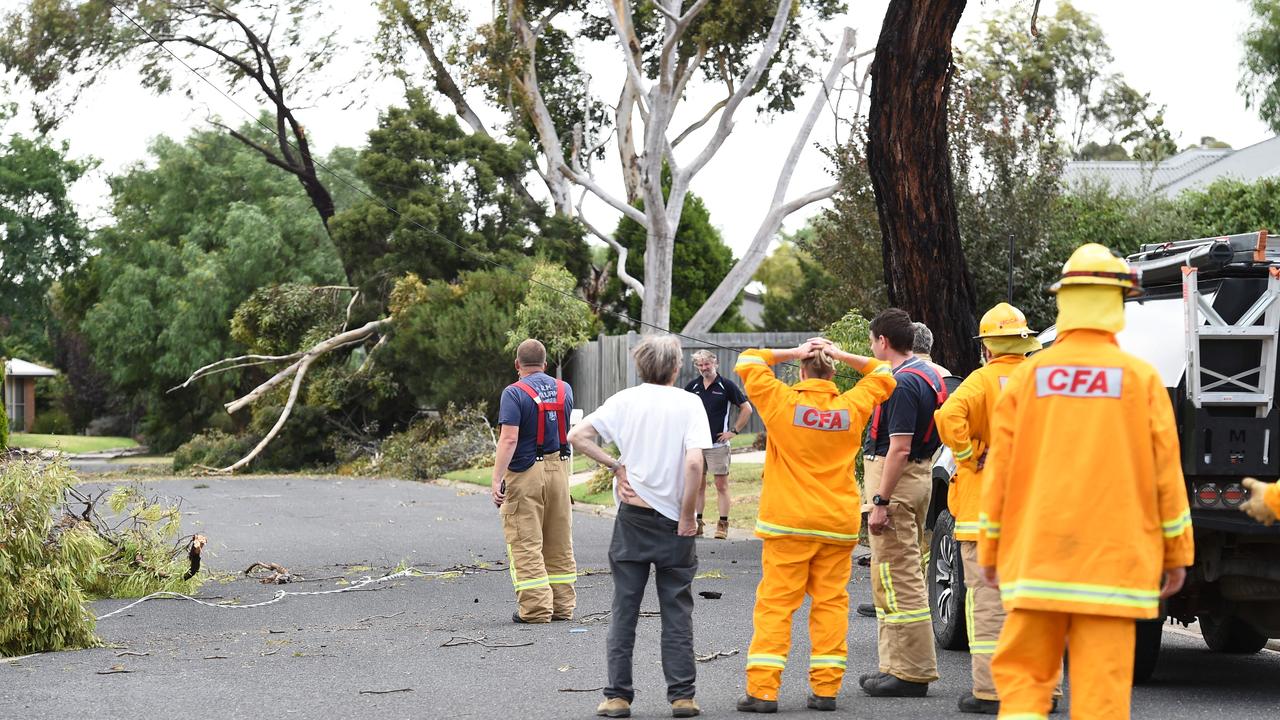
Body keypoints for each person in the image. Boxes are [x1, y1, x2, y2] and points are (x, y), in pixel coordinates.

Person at [979, 243, 1195, 719]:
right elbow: (1167, 476)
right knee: (1102, 699)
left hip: (1037, 561)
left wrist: (990, 551)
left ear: (1065, 302)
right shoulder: (1141, 381)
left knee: (1024, 687)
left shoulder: (1028, 378)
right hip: (1114, 571)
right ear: (1119, 304)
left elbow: (999, 472)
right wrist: (1178, 553)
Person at [734, 338, 895, 714]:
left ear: (802, 370)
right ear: (833, 371)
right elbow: (884, 373)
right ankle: (825, 691)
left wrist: (793, 352)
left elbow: (747, 360)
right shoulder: (851, 405)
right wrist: (840, 354)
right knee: (830, 606)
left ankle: (763, 692)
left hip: (788, 523)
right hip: (835, 524)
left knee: (776, 606)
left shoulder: (781, 401)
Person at [568, 335, 712, 720]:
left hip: (632, 518)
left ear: (640, 366)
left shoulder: (624, 400)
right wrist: (688, 515)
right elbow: (695, 464)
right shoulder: (690, 403)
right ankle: (682, 697)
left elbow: (577, 436)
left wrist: (615, 465)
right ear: (676, 367)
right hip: (673, 523)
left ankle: (617, 697)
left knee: (624, 609)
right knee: (677, 609)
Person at [934, 303, 1045, 715]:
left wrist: (968, 453)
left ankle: (992, 691)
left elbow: (948, 416)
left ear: (988, 348)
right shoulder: (1043, 379)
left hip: (985, 515)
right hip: (1036, 513)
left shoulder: (981, 381)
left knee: (988, 605)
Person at [859, 308, 948, 698]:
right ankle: (895, 665)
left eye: (871, 339)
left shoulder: (903, 385)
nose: (869, 346)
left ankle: (909, 672)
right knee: (897, 574)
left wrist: (880, 501)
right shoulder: (926, 372)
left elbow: (899, 448)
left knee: (898, 578)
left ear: (883, 342)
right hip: (918, 480)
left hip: (897, 483)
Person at [491, 339, 577, 624]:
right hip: (560, 472)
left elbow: (509, 438)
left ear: (517, 365)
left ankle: (537, 609)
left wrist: (496, 479)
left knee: (526, 540)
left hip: (526, 474)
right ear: (546, 363)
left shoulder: (513, 393)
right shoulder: (565, 389)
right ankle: (563, 606)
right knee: (558, 539)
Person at [685, 350, 753, 539]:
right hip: (696, 445)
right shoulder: (692, 387)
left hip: (718, 445)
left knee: (721, 484)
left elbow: (747, 408)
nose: (704, 368)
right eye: (700, 365)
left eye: (707, 364)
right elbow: (681, 411)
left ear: (715, 363)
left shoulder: (726, 385)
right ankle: (698, 522)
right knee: (698, 485)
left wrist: (734, 431)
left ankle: (722, 524)